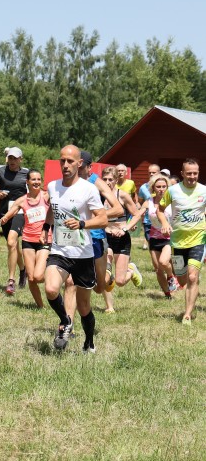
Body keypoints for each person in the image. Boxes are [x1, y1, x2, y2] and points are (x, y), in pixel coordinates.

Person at [43, 145, 108, 353]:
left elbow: (103, 219)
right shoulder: (53, 186)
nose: (65, 165)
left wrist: (82, 224)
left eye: (70, 161)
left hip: (83, 254)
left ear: (79, 163)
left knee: (84, 306)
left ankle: (89, 342)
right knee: (51, 288)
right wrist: (46, 226)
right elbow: (53, 211)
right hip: (59, 250)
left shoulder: (88, 189)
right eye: (62, 160)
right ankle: (65, 321)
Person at [63, 151, 124, 318]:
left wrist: (97, 216)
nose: (77, 171)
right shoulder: (68, 181)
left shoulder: (95, 182)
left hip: (95, 237)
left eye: (81, 168)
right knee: (70, 282)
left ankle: (107, 275)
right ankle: (68, 325)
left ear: (89, 167)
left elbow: (118, 209)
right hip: (74, 236)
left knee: (99, 287)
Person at [158, 158, 206, 325]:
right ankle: (185, 279)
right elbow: (160, 210)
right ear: (182, 173)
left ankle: (187, 314)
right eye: (189, 173)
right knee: (182, 279)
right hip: (177, 241)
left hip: (198, 239)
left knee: (192, 277)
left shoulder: (204, 191)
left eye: (195, 173)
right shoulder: (173, 191)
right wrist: (164, 223)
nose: (192, 176)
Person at [0, 169, 50, 308]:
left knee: (39, 276)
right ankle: (41, 306)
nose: (36, 182)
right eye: (33, 179)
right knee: (31, 278)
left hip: (44, 240)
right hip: (28, 240)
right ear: (27, 182)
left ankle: (54, 277)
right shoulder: (22, 200)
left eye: (39, 179)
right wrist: (4, 218)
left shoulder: (46, 197)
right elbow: (12, 211)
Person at [0, 147, 28, 295]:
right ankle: (23, 270)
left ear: (20, 159)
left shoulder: (26, 173)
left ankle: (11, 280)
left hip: (19, 212)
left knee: (11, 242)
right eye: (10, 158)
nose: (12, 161)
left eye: (15, 158)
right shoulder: (0, 172)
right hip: (5, 212)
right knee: (13, 246)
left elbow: (34, 192)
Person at [102, 166, 143, 294]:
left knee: (120, 282)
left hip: (121, 239)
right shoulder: (98, 196)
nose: (108, 182)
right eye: (105, 179)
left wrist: (125, 228)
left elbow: (137, 214)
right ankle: (108, 282)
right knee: (105, 274)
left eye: (110, 179)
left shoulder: (122, 195)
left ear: (115, 180)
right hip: (105, 238)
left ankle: (131, 270)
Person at [137, 174, 177, 299]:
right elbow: (138, 214)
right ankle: (167, 294)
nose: (161, 189)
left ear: (167, 187)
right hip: (154, 237)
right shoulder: (149, 201)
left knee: (164, 262)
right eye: (158, 186)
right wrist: (128, 225)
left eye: (164, 186)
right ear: (153, 188)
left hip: (170, 237)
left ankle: (171, 277)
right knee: (158, 269)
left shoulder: (173, 201)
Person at [138, 164, 161, 250]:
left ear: (159, 173)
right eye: (149, 173)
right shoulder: (143, 188)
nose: (151, 174)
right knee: (152, 246)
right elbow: (140, 202)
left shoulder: (165, 187)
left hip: (162, 220)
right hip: (148, 221)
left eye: (154, 172)